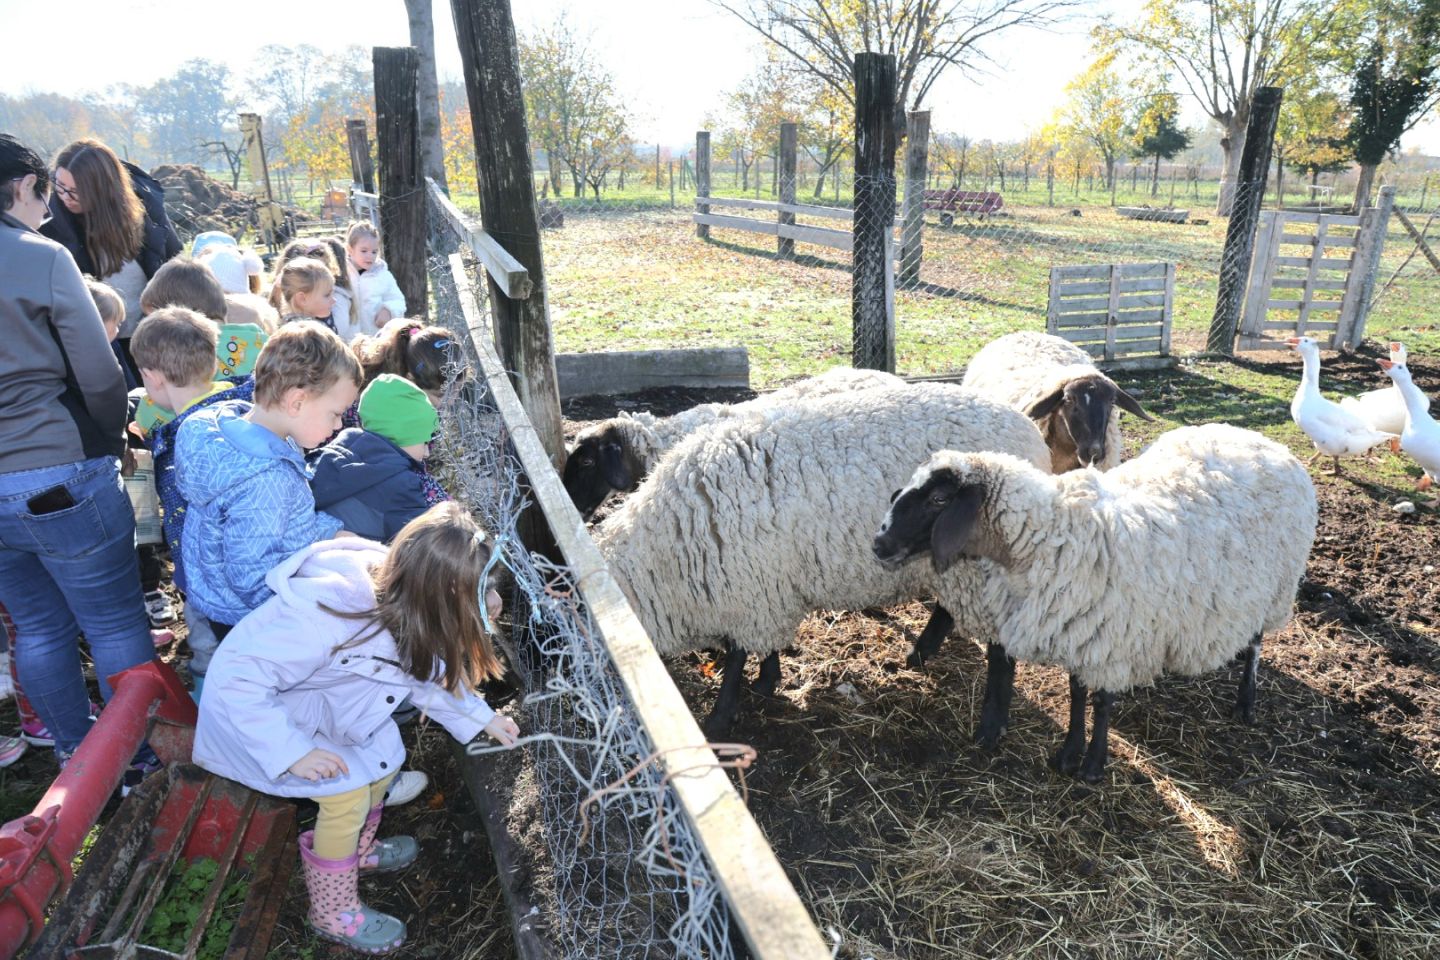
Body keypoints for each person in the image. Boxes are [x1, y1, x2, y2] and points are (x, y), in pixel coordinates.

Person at [192, 503, 519, 952]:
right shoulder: (321, 616)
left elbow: (426, 674)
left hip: (332, 709)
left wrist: (484, 717)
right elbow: (237, 681)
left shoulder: (407, 600)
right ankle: (332, 910)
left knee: (383, 768)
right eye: (477, 597)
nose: (490, 607)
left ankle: (355, 855)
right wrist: (293, 753)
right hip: (268, 720)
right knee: (345, 795)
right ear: (436, 593)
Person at [0, 134, 157, 770]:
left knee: (35, 628)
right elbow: (98, 373)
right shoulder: (41, 257)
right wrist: (112, 438)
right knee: (115, 623)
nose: (47, 210)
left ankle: (74, 752)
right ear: (23, 188)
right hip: (55, 465)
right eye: (43, 195)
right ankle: (136, 760)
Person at [175, 321, 361, 642]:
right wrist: (307, 611)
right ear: (296, 402)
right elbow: (253, 578)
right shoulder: (265, 477)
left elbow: (270, 528)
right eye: (335, 413)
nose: (339, 423)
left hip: (222, 597)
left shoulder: (236, 431)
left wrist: (327, 531)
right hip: (251, 619)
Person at [131, 308, 255, 695]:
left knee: (208, 644)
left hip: (204, 570)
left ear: (152, 377)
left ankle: (211, 709)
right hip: (255, 562)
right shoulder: (244, 405)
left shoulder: (182, 437)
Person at [39, 138, 182, 377]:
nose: (64, 197)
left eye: (75, 191)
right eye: (59, 185)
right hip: (97, 342)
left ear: (102, 189)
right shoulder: (51, 224)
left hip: (150, 336)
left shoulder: (145, 210)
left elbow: (172, 261)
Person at [309, 375, 447, 544]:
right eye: (424, 441)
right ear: (403, 437)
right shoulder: (403, 484)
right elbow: (412, 544)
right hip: (360, 559)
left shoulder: (337, 450)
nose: (426, 453)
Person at [345, 221, 405, 336]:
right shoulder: (342, 274)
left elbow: (399, 301)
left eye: (374, 252)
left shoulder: (383, 275)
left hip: (375, 338)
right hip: (347, 341)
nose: (370, 256)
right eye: (364, 251)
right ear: (350, 249)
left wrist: (388, 310)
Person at [276, 257, 340, 332]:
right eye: (327, 295)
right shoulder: (310, 335)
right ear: (302, 299)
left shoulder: (284, 328)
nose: (334, 300)